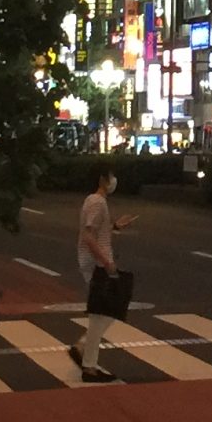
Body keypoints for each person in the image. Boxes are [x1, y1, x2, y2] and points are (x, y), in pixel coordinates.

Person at [71, 164, 133, 385]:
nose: (114, 180)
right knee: (105, 312)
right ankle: (88, 365)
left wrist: (114, 226)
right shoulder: (97, 202)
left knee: (105, 311)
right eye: (111, 176)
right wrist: (106, 262)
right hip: (97, 263)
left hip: (95, 262)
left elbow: (95, 232)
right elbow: (88, 236)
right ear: (102, 179)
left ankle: (85, 352)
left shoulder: (92, 201)